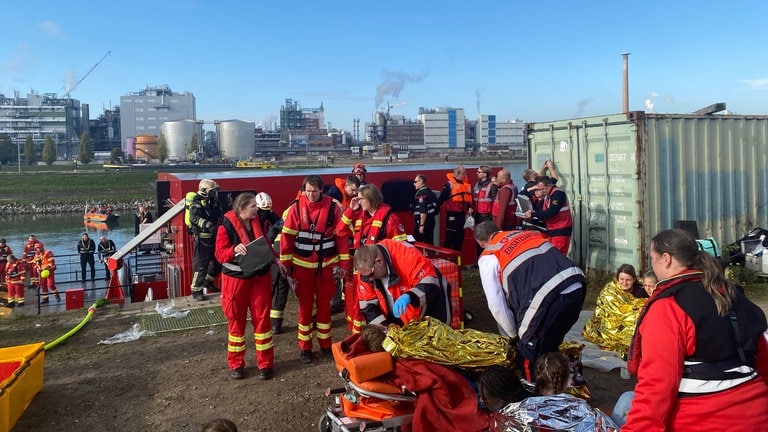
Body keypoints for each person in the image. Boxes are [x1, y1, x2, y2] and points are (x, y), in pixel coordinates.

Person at [623, 229, 768, 431]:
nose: (652, 264)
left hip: (702, 419)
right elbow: (763, 358)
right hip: (757, 413)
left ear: (665, 259)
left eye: (652, 257)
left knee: (624, 403)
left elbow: (657, 386)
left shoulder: (668, 306)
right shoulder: (732, 294)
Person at [473, 221, 585, 381]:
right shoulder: (525, 234)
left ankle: (534, 397)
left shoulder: (490, 255)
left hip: (547, 297)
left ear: (481, 242)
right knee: (549, 345)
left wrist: (514, 335)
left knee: (528, 354)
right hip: (575, 286)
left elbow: (496, 304)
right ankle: (562, 382)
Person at [280, 175, 350, 364]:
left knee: (325, 307)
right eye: (307, 191)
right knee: (305, 309)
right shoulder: (295, 208)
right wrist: (285, 265)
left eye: (314, 191)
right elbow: (286, 239)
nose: (310, 195)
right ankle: (305, 348)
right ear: (303, 191)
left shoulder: (334, 208)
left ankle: (325, 344)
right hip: (302, 268)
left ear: (321, 190)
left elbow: (341, 238)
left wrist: (344, 265)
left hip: (326, 266)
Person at [215, 192, 276, 381]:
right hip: (236, 280)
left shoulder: (258, 222)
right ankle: (236, 364)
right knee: (236, 321)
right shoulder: (225, 226)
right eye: (253, 207)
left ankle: (265, 364)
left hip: (259, 277)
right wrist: (233, 250)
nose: (256, 209)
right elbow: (219, 254)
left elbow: (264, 244)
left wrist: (276, 260)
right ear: (242, 209)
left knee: (262, 320)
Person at [338, 184, 407, 332]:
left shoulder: (390, 219)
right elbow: (340, 231)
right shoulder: (360, 217)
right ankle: (360, 336)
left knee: (380, 307)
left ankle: (383, 334)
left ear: (371, 198)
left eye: (361, 198)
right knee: (359, 307)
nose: (359, 201)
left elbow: (402, 248)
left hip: (380, 274)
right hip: (362, 272)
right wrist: (350, 209)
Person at [353, 239, 452, 327]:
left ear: (379, 261)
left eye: (371, 274)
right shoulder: (366, 271)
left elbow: (430, 284)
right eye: (366, 276)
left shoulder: (406, 255)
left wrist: (410, 296)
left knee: (437, 335)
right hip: (399, 314)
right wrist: (384, 328)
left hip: (431, 300)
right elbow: (368, 307)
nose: (370, 279)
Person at [582, 263, 648, 355]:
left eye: (628, 280)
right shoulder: (610, 291)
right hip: (613, 326)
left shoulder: (643, 290)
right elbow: (603, 312)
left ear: (634, 279)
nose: (624, 283)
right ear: (617, 279)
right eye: (621, 279)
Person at [254, 192, 289, 335]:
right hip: (261, 259)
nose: (265, 213)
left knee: (280, 286)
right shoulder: (253, 220)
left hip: (274, 257)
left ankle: (275, 323)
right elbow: (261, 240)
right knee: (266, 290)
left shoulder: (272, 217)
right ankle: (263, 321)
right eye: (262, 210)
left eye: (267, 210)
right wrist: (274, 230)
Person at [187, 179, 223, 301]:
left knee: (219, 262)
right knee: (201, 266)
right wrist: (208, 225)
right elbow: (194, 218)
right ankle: (196, 291)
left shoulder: (214, 202)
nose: (214, 194)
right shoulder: (197, 202)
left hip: (214, 238)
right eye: (212, 191)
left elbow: (220, 216)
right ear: (204, 191)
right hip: (202, 239)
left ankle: (208, 281)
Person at [523, 176, 572, 255]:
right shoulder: (548, 194)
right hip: (552, 229)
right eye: (539, 189)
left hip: (561, 229)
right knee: (552, 255)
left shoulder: (558, 194)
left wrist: (534, 214)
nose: (542, 191)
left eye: (543, 189)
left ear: (549, 185)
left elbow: (552, 211)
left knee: (558, 256)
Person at [436, 165, 472, 251]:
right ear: (457, 174)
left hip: (461, 216)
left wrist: (469, 207)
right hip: (452, 216)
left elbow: (468, 199)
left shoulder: (465, 184)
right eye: (463, 173)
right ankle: (445, 260)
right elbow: (441, 199)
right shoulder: (449, 185)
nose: (465, 175)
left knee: (459, 241)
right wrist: (435, 209)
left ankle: (458, 263)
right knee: (449, 239)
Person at [412, 174, 438, 244]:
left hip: (423, 223)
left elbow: (423, 211)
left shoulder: (422, 194)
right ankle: (431, 254)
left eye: (415, 182)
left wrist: (421, 225)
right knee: (429, 243)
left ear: (420, 182)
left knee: (415, 243)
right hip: (431, 221)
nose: (414, 184)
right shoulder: (431, 193)